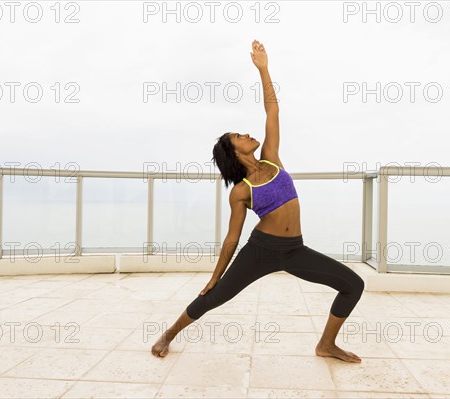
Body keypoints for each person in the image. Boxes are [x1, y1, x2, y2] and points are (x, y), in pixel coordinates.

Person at [151, 40, 364, 363]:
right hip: (261, 250)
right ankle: (169, 334)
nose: (247, 134)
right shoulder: (241, 190)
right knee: (216, 296)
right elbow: (232, 238)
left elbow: (273, 110)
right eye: (239, 136)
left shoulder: (272, 160)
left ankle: (326, 344)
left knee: (353, 284)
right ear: (234, 153)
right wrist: (214, 276)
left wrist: (264, 69)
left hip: (295, 250)